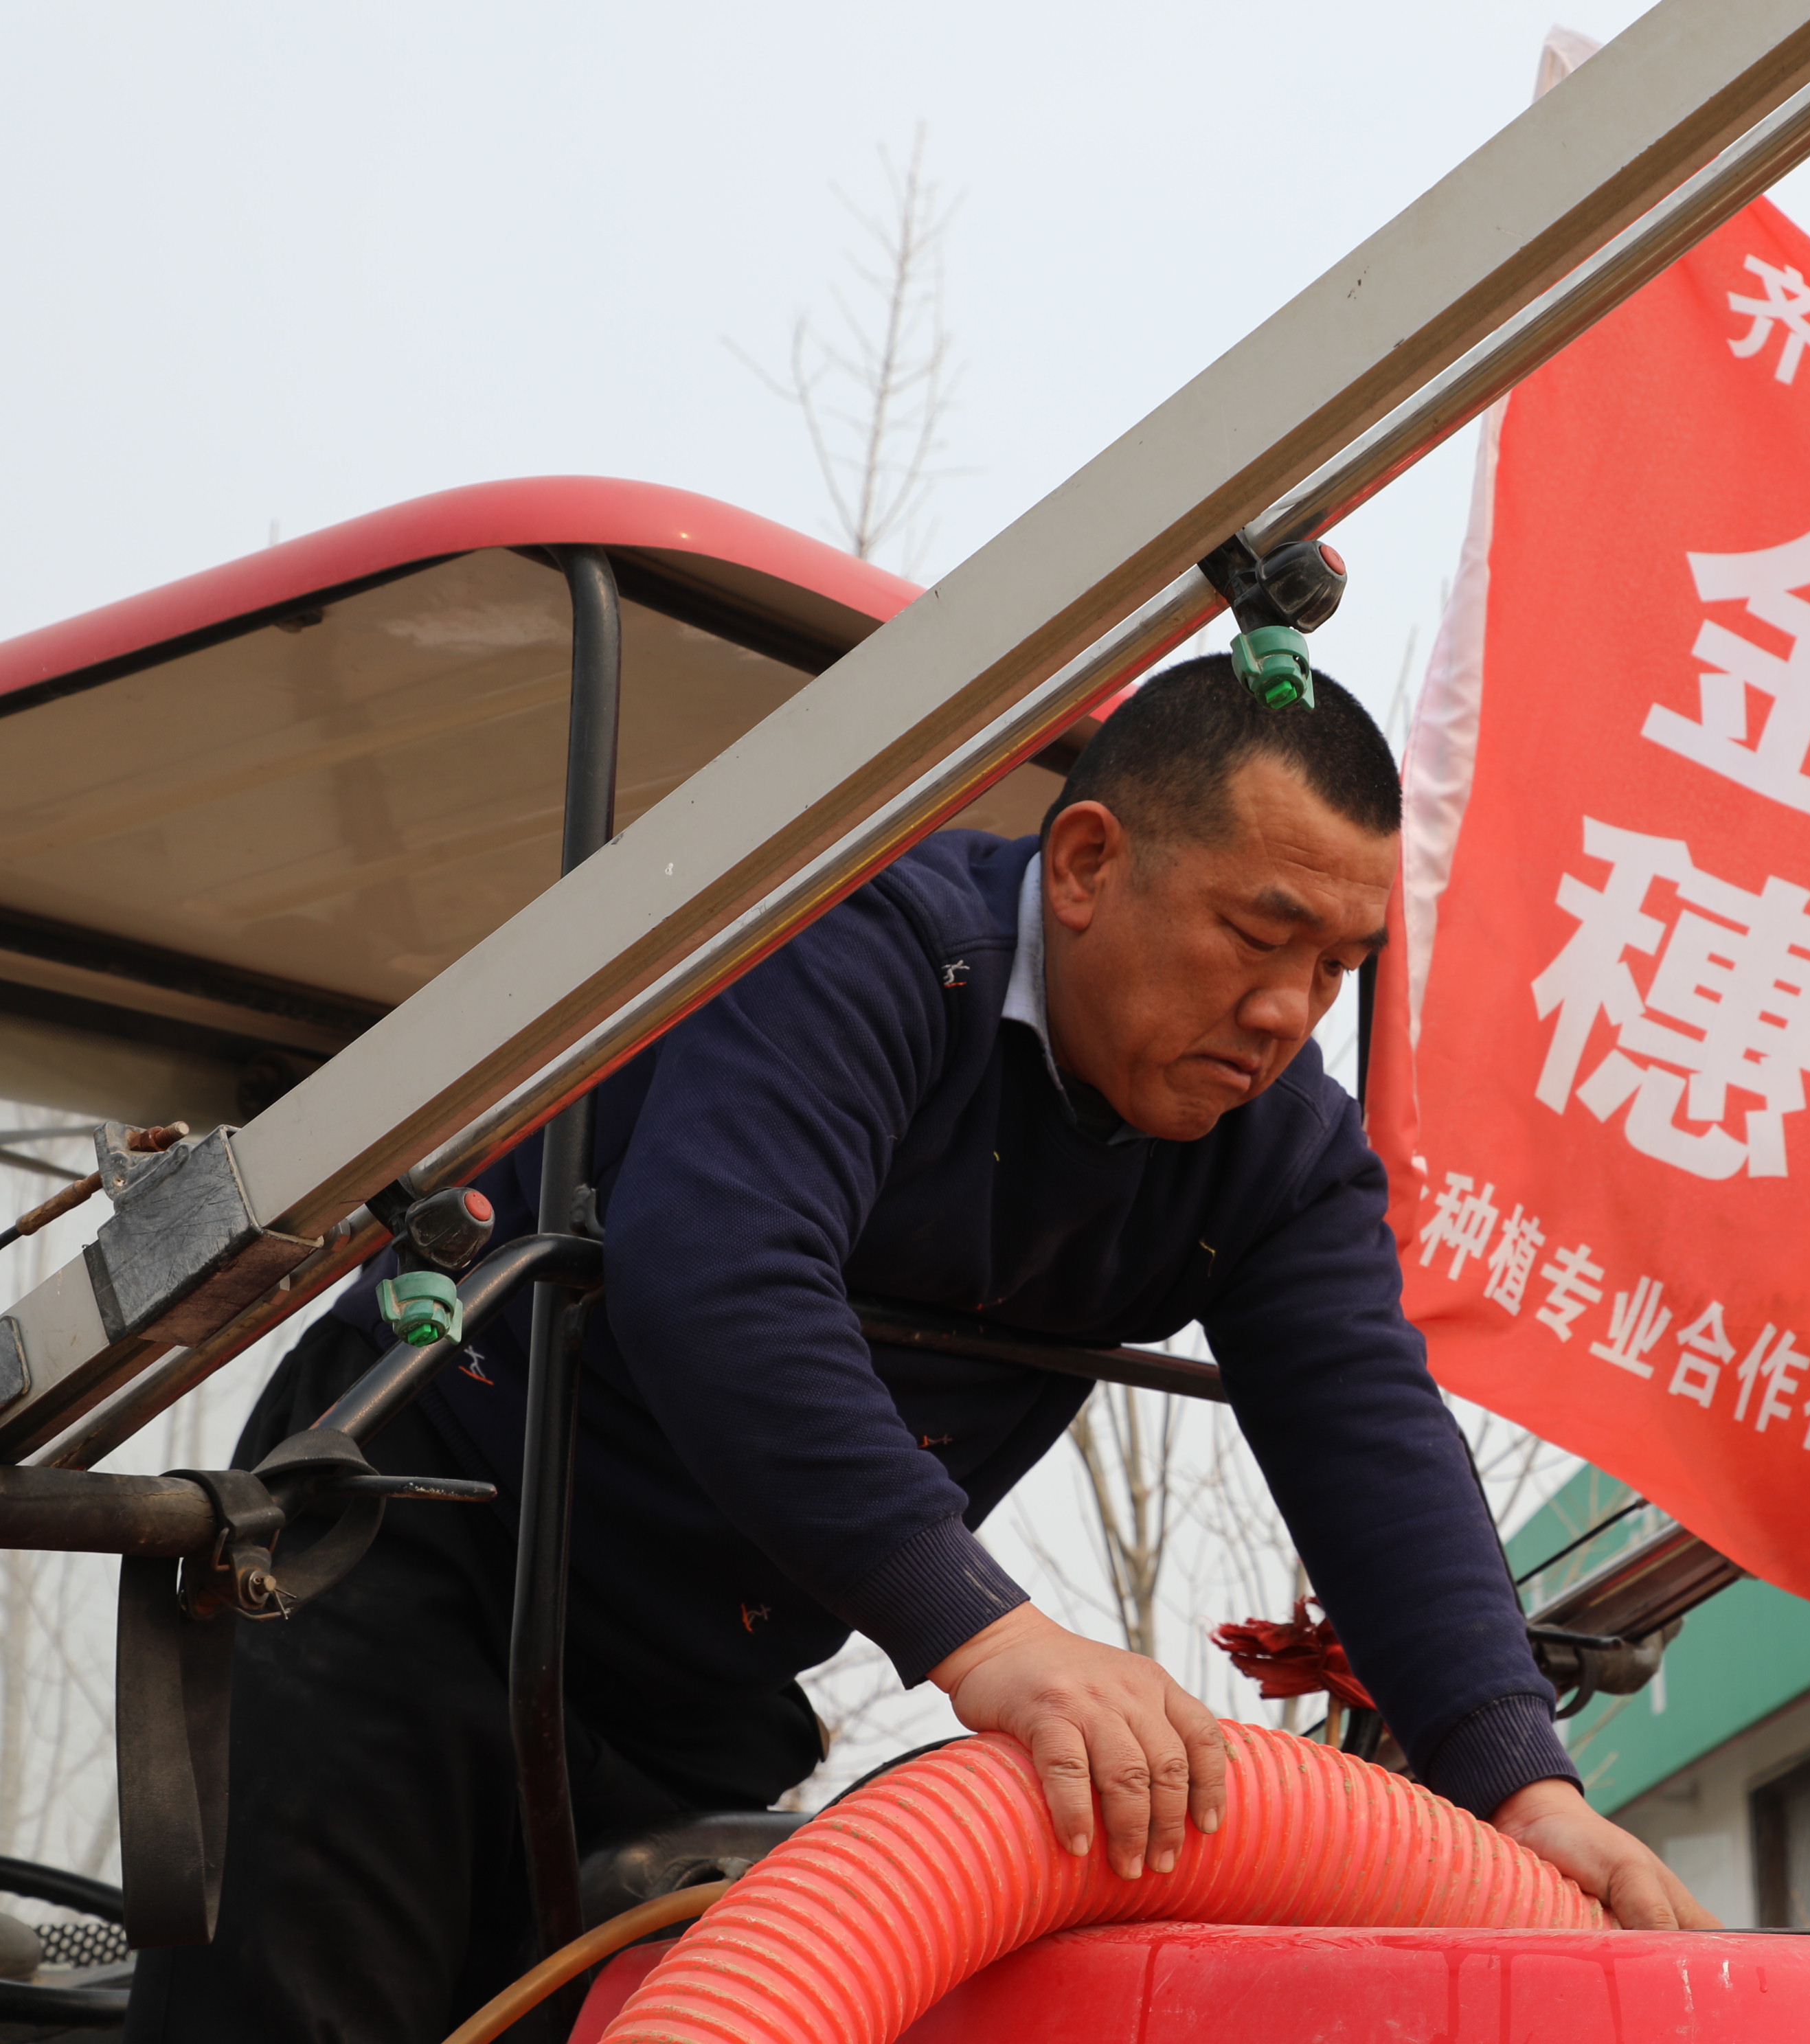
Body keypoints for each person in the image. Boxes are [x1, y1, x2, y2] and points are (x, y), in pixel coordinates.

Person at [129, 657, 1712, 2042]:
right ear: (1086, 862)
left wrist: (1522, 1782)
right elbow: (723, 1275)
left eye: (1337, 970)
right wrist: (993, 1640)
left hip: (705, 1672)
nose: (1288, 1009)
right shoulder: (861, 949)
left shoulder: (1276, 1148)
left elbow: (1368, 1427)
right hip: (416, 1553)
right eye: (1259, 934)